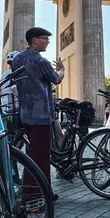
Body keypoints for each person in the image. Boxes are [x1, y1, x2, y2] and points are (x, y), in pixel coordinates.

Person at [12, 29, 64, 197]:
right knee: (40, 156)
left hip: (25, 114)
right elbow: (56, 79)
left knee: (33, 152)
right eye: (44, 39)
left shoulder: (17, 59)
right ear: (34, 40)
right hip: (41, 115)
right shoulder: (41, 61)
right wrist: (62, 69)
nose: (47, 42)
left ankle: (43, 190)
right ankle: (33, 193)